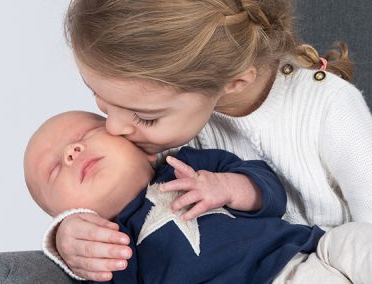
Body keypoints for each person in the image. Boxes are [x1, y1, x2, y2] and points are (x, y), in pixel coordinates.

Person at [43, 0, 372, 281]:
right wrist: (67, 235)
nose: (113, 129)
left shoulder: (330, 107)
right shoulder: (164, 128)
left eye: (145, 116)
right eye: (100, 101)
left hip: (334, 255)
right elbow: (115, 199)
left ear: (235, 81)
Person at [25, 110, 372, 284]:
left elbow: (271, 192)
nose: (71, 152)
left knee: (356, 240)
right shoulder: (111, 245)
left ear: (140, 146)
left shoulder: (187, 165)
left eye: (87, 133)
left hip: (310, 250)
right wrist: (68, 240)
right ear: (66, 214)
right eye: (54, 171)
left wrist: (226, 186)